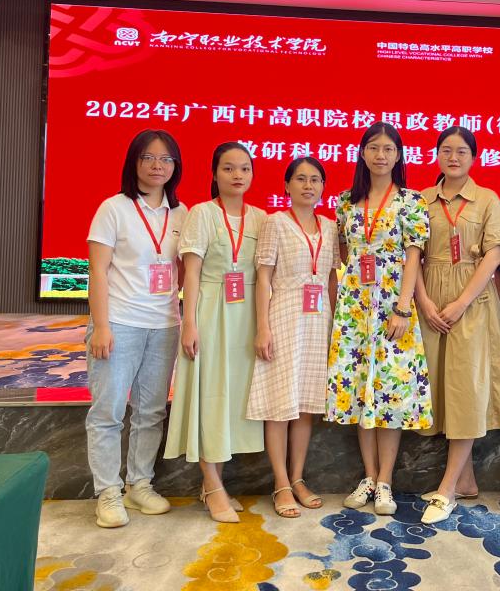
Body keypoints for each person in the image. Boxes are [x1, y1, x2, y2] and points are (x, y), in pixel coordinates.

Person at [326, 122, 432, 516]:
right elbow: (344, 252)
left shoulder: (411, 201)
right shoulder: (345, 202)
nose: (381, 155)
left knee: (390, 391)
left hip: (393, 307)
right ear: (362, 153)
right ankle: (368, 478)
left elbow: (413, 257)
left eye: (388, 148)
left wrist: (403, 307)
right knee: (360, 390)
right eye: (373, 147)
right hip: (355, 310)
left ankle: (386, 481)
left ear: (399, 155)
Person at [85, 129, 187, 529]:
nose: (157, 165)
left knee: (151, 411)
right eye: (148, 157)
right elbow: (97, 270)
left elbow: (186, 271)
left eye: (166, 159)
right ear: (134, 162)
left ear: (175, 166)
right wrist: (101, 326)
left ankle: (139, 484)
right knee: (108, 411)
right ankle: (108, 492)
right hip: (120, 322)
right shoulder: (113, 208)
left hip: (164, 325)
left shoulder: (182, 214)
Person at [414, 127, 500, 525]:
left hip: (471, 302)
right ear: (437, 155)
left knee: (466, 390)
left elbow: (493, 257)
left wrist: (460, 303)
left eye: (461, 151)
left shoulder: (487, 199)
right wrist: (424, 301)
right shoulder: (421, 199)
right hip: (430, 301)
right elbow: (412, 256)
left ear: (474, 157)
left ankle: (447, 488)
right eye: (446, 150)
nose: (453, 157)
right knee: (443, 390)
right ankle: (466, 480)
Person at [164, 142, 265, 522]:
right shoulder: (202, 214)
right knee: (209, 394)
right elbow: (190, 273)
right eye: (228, 168)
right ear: (214, 173)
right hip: (211, 310)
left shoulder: (261, 218)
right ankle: (212, 483)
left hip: (246, 317)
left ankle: (213, 485)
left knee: (230, 398)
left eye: (244, 168)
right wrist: (189, 322)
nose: (237, 175)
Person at [247, 157, 340, 518]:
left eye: (315, 179)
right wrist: (262, 326)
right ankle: (281, 483)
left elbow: (330, 279)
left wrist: (336, 326)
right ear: (286, 185)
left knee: (305, 405)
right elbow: (263, 278)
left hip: (319, 321)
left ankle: (298, 478)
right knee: (280, 403)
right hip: (284, 316)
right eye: (300, 179)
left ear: (323, 187)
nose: (308, 185)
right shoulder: (276, 222)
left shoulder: (330, 227)